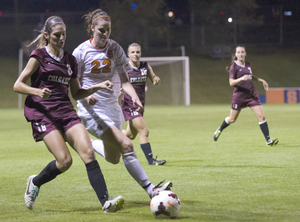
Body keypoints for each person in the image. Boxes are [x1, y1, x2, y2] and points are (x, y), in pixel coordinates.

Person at [13, 16, 124, 213]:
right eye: (57, 35)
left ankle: (106, 202)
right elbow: (18, 85)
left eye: (64, 34)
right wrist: (37, 91)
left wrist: (96, 86)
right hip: (42, 113)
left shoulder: (70, 60)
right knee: (65, 161)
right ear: (47, 36)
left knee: (88, 152)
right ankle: (35, 182)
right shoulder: (38, 56)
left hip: (66, 111)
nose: (61, 38)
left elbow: (76, 93)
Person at [72, 9, 172, 199]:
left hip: (113, 108)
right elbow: (75, 87)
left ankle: (90, 143)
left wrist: (134, 97)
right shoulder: (80, 52)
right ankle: (152, 190)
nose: (105, 33)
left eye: (108, 30)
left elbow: (125, 81)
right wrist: (86, 97)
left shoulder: (115, 48)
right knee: (127, 145)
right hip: (92, 111)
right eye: (101, 30)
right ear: (92, 28)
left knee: (114, 157)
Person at [213, 45, 279, 147]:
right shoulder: (233, 67)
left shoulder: (248, 64)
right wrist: (241, 79)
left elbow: (250, 76)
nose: (240, 54)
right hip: (239, 96)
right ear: (235, 54)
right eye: (238, 52)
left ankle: (268, 140)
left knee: (261, 116)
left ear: (245, 53)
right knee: (232, 119)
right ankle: (220, 129)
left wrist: (261, 80)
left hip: (251, 95)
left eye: (242, 52)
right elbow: (231, 82)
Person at [121, 43, 166, 165]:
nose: (136, 54)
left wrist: (156, 80)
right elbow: (119, 82)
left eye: (138, 52)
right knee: (144, 131)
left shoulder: (146, 66)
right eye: (133, 52)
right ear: (128, 54)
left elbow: (154, 80)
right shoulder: (124, 67)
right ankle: (151, 161)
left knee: (130, 135)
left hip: (140, 104)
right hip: (129, 104)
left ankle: (113, 135)